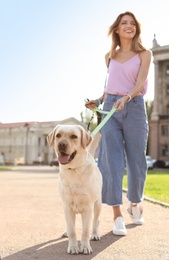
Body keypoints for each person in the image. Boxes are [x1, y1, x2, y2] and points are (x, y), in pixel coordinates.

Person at [85, 11, 152, 236]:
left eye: (132, 23)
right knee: (110, 162)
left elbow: (140, 81)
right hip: (111, 109)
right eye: (124, 23)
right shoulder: (109, 57)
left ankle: (134, 203)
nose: (129, 26)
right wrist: (98, 100)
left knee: (137, 162)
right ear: (116, 29)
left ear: (136, 29)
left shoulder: (145, 54)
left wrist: (128, 97)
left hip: (134, 106)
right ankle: (117, 216)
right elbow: (109, 88)